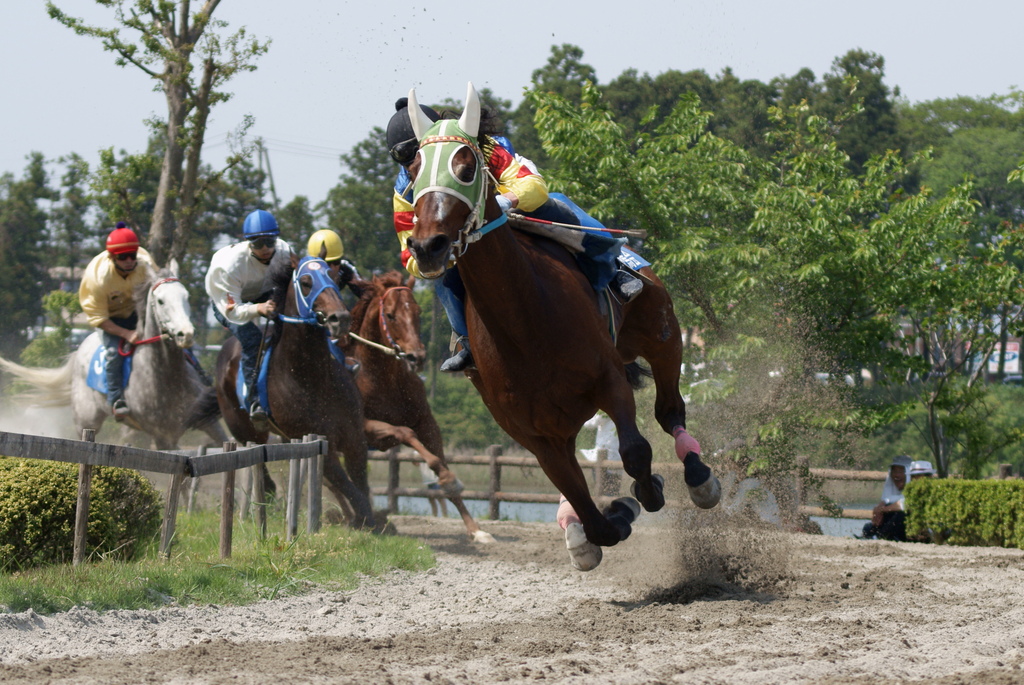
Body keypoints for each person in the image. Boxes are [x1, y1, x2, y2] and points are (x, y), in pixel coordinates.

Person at [386, 97, 643, 372]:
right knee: (442, 280)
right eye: (411, 159)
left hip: (509, 213)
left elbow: (533, 186)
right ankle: (467, 342)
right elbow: (407, 252)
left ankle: (614, 266)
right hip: (461, 239)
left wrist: (505, 201)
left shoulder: (486, 149)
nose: (421, 164)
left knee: (559, 203)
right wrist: (433, 260)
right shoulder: (404, 190)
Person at [205, 209, 293, 428]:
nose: (265, 249)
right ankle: (255, 402)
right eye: (257, 244)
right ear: (247, 243)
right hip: (229, 303)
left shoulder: (285, 251)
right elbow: (232, 311)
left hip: (263, 292)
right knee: (253, 339)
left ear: (276, 239)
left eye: (269, 242)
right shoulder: (228, 267)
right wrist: (258, 309)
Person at [78, 222, 156, 419]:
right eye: (123, 257)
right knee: (113, 354)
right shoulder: (96, 278)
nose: (129, 261)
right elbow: (98, 318)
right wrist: (127, 334)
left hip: (139, 316)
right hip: (112, 322)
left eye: (133, 255)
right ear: (112, 257)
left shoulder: (146, 265)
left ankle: (199, 377)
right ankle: (116, 400)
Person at [861, 455, 912, 541]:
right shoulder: (891, 490)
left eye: (900, 471)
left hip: (908, 528)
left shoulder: (915, 487)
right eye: (894, 471)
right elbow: (888, 499)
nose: (896, 475)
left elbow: (905, 503)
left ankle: (880, 536)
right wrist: (881, 507)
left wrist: (882, 509)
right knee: (868, 527)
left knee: (900, 515)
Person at [306, 229, 362, 295]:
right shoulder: (305, 273)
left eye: (336, 262)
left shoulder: (345, 267)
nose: (333, 268)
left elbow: (366, 293)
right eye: (327, 264)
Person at [580, 411, 623, 497]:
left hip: (604, 455)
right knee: (613, 491)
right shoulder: (623, 412)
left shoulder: (604, 413)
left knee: (602, 490)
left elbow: (588, 423)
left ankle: (603, 508)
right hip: (617, 457)